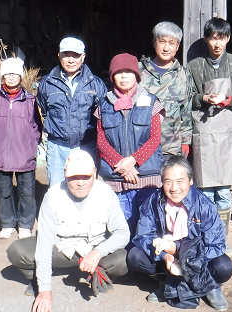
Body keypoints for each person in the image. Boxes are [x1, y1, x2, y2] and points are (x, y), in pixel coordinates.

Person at [6, 150, 129, 311]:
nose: (80, 183)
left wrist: (97, 253)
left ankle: (95, 274)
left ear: (95, 173)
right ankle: (37, 279)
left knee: (122, 260)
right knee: (17, 250)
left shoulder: (106, 193)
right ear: (65, 175)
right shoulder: (53, 196)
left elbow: (123, 232)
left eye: (86, 177)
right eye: (74, 177)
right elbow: (44, 244)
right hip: (62, 250)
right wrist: (44, 290)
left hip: (93, 248)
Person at [188, 17, 232, 255]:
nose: (217, 43)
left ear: (228, 39)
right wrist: (201, 99)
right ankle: (207, 239)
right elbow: (185, 99)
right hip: (204, 131)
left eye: (222, 38)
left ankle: (222, 240)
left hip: (228, 131)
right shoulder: (194, 66)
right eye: (212, 38)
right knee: (206, 189)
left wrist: (230, 101)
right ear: (207, 39)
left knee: (223, 190)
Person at [128, 156, 232, 311]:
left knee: (224, 266)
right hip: (166, 256)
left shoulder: (204, 205)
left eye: (180, 181)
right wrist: (165, 256)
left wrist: (181, 253)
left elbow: (216, 245)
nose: (174, 188)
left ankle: (210, 286)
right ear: (162, 182)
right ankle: (166, 282)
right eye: (168, 181)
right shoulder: (153, 202)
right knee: (135, 256)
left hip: (196, 258)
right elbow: (144, 236)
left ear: (190, 180)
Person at [95, 53, 164, 235]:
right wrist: (123, 166)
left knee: (147, 227)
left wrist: (133, 160)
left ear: (136, 76)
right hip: (117, 179)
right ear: (112, 77)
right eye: (118, 73)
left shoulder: (151, 102)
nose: (123, 76)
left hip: (146, 178)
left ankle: (145, 262)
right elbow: (101, 141)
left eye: (128, 72)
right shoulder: (104, 104)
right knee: (122, 228)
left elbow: (155, 138)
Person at [0, 57, 42, 239]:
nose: (11, 77)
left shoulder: (30, 100)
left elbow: (37, 127)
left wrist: (31, 145)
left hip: (23, 154)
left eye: (15, 74)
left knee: (27, 192)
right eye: (7, 74)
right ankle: (7, 224)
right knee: (3, 191)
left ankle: (25, 225)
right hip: (0, 154)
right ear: (2, 76)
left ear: (20, 76)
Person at [37, 37, 107, 186]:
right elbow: (43, 111)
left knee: (86, 191)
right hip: (57, 147)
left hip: (87, 147)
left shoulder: (96, 84)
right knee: (57, 192)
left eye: (75, 55)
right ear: (59, 56)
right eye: (66, 54)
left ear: (83, 57)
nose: (71, 60)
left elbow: (104, 116)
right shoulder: (47, 83)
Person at [139, 21, 193, 159]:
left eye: (171, 43)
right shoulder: (138, 71)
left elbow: (186, 111)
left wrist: (186, 141)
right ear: (154, 42)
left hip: (171, 148)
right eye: (162, 41)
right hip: (140, 145)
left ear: (177, 46)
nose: (166, 48)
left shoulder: (183, 75)